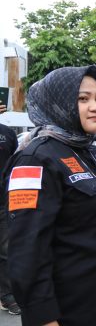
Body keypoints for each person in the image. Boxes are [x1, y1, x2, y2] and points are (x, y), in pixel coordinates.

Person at [6, 66, 96, 325]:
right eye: (82, 99)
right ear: (57, 103)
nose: (95, 107)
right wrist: (43, 317)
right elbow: (27, 248)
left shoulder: (95, 155)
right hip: (70, 312)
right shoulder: (35, 159)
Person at [0, 105, 20, 316]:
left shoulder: (7, 134)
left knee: (6, 250)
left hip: (3, 201)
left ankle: (8, 296)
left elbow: (14, 164)